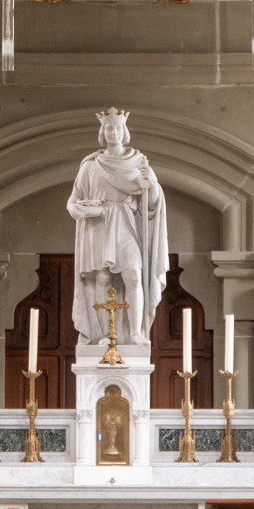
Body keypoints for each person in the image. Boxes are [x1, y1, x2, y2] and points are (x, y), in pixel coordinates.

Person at [67, 108, 168, 348]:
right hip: (98, 226)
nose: (113, 132)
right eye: (108, 128)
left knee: (133, 274)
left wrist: (151, 184)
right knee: (102, 278)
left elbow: (153, 203)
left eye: (117, 128)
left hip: (125, 224)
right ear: (103, 132)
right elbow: (73, 200)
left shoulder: (139, 164)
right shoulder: (90, 167)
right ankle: (104, 334)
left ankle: (135, 332)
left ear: (125, 132)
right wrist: (77, 209)